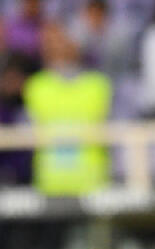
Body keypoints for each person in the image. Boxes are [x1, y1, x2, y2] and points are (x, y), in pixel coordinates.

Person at [23, 22, 111, 196]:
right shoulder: (35, 86)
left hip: (92, 184)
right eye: (49, 43)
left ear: (75, 44)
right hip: (49, 184)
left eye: (61, 41)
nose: (56, 48)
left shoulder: (98, 85)